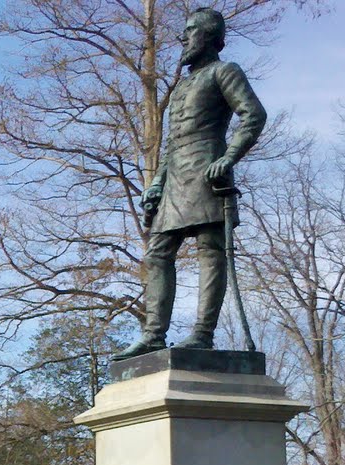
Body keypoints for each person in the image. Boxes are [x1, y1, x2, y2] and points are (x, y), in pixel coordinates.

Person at [115, 7, 266, 361]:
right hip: (174, 183)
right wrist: (155, 184)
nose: (183, 38)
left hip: (207, 173)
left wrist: (228, 158)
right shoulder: (182, 87)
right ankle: (154, 334)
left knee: (209, 252)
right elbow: (171, 144)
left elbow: (253, 115)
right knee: (157, 252)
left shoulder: (224, 72)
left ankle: (203, 334)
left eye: (190, 30)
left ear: (210, 36)